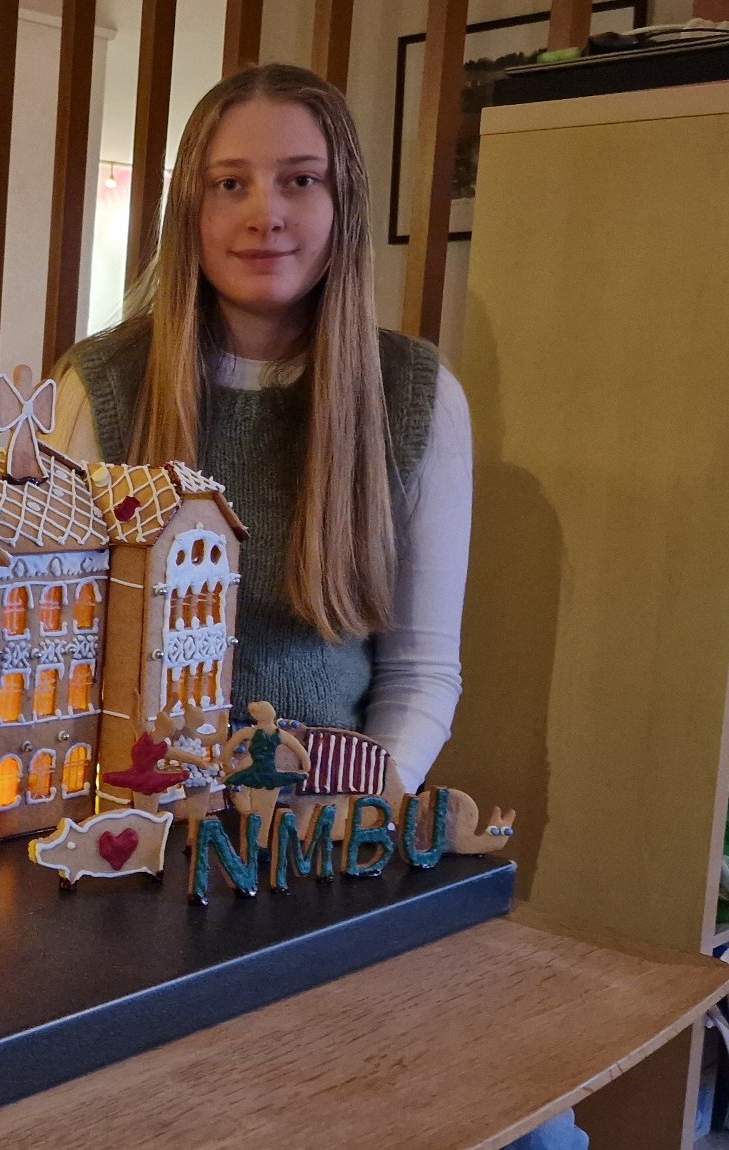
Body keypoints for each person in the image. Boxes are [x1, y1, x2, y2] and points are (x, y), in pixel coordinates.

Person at [42, 64, 580, 1150]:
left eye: (298, 179)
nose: (264, 214)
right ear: (189, 208)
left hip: (331, 829)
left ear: (343, 205)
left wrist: (352, 816)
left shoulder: (415, 394)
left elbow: (421, 672)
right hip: (141, 837)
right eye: (229, 183)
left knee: (530, 1125)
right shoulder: (97, 386)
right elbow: (51, 656)